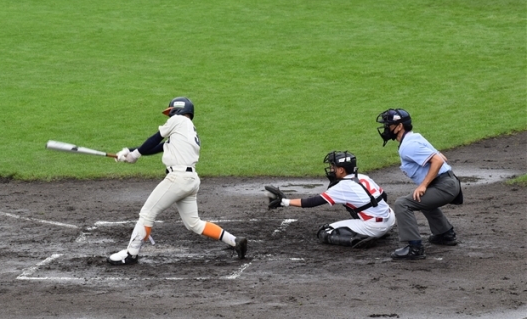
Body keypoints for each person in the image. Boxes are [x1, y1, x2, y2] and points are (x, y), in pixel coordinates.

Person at [108, 97, 248, 265]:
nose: (169, 116)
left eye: (171, 112)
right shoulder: (187, 131)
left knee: (147, 213)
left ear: (178, 110)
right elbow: (157, 147)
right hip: (191, 180)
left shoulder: (178, 120)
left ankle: (131, 255)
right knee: (194, 224)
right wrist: (127, 152)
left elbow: (155, 139)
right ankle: (234, 241)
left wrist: (135, 155)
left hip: (177, 179)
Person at [376, 108, 462, 260]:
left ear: (399, 126)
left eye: (388, 125)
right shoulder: (415, 137)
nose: (386, 128)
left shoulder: (408, 146)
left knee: (403, 203)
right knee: (418, 197)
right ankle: (444, 234)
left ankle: (414, 248)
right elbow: (443, 157)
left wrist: (424, 184)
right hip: (448, 182)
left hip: (444, 186)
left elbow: (438, 160)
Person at [265, 151, 395, 248]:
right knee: (361, 206)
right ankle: (379, 232)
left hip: (374, 227)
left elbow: (312, 202)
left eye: (333, 167)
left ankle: (359, 239)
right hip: (390, 219)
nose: (331, 169)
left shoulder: (342, 187)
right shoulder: (363, 177)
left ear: (341, 170)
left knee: (325, 232)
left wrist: (284, 202)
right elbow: (383, 196)